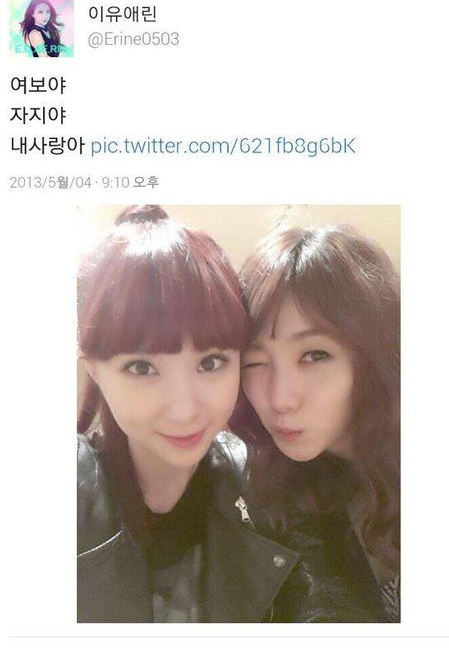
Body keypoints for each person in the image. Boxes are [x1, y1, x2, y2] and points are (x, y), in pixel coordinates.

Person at [77, 206, 386, 623]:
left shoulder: (271, 485)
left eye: (210, 362)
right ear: (95, 369)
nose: (184, 410)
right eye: (141, 368)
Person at [234, 224, 400, 622]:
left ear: (373, 356)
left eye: (314, 355)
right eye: (255, 362)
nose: (280, 399)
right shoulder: (272, 484)